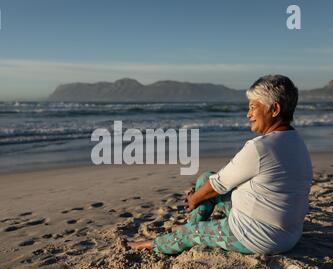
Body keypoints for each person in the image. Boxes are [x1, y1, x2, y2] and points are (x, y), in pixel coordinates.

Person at [128, 75, 313, 255]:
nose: (248, 114)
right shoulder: (297, 142)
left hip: (259, 237)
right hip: (289, 234)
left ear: (274, 110)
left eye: (253, 107)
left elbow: (219, 185)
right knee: (206, 178)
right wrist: (202, 193)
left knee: (193, 226)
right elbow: (215, 182)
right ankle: (192, 225)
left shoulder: (260, 148)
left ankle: (156, 243)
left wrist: (194, 199)